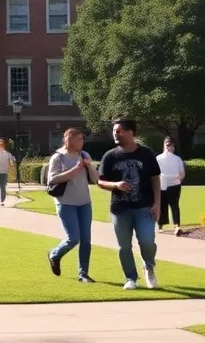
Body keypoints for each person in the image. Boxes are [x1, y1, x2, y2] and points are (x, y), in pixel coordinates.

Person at [96, 118, 162, 290]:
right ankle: (130, 278)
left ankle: (149, 266)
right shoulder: (110, 156)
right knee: (124, 246)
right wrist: (115, 185)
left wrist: (158, 204)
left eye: (119, 131)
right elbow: (100, 182)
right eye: (114, 131)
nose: (115, 134)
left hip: (144, 207)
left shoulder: (146, 154)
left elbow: (155, 179)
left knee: (147, 241)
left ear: (131, 132)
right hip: (120, 209)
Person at [45, 128, 99, 283]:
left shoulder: (84, 155)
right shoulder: (58, 158)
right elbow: (52, 180)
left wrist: (89, 166)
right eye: (79, 139)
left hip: (84, 203)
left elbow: (96, 179)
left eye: (82, 139)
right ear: (69, 140)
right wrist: (74, 169)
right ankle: (55, 254)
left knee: (86, 240)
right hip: (65, 203)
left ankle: (83, 273)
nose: (82, 142)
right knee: (73, 238)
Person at [157, 137, 186, 235]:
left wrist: (179, 179)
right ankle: (168, 225)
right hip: (167, 184)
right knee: (168, 205)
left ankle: (172, 226)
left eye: (170, 145)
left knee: (169, 206)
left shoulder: (176, 159)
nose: (169, 147)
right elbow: (182, 174)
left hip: (170, 184)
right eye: (168, 145)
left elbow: (182, 173)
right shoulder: (160, 158)